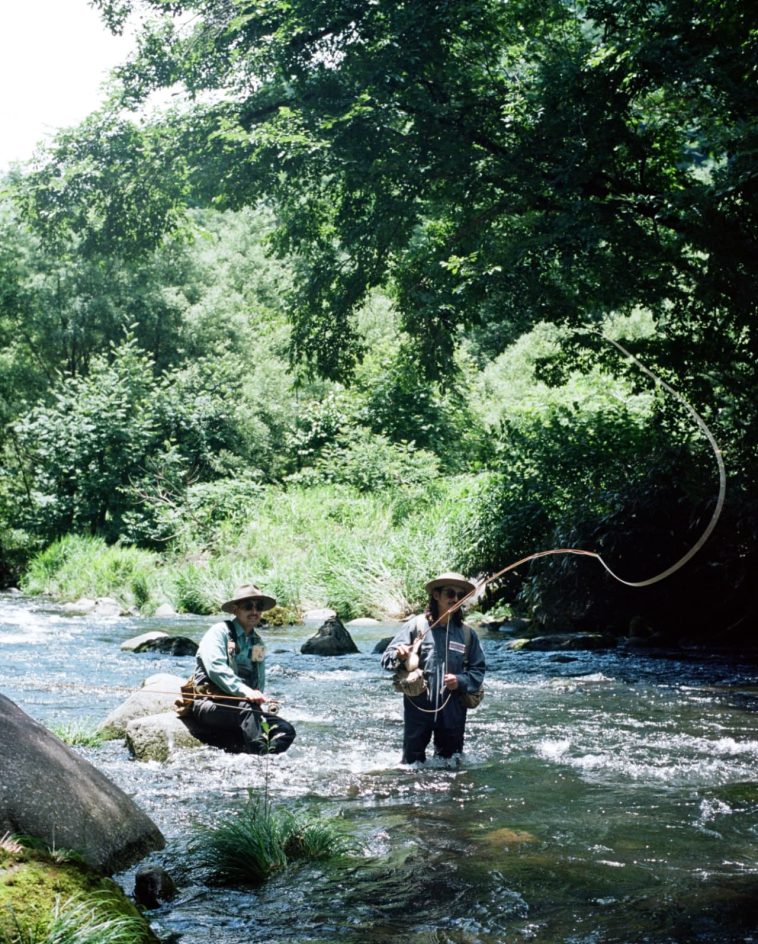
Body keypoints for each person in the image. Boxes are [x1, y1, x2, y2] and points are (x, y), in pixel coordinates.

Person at [381, 571, 485, 764]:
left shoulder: (468, 634)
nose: (455, 599)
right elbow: (386, 659)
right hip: (418, 708)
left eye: (460, 595)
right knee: (411, 767)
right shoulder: (416, 626)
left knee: (451, 765)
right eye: (450, 593)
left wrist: (460, 681)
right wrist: (399, 654)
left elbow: (478, 671)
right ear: (436, 595)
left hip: (453, 710)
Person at [186, 583, 296, 755]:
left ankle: (266, 759)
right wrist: (245, 692)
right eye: (248, 606)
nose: (254, 611)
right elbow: (216, 669)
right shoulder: (219, 632)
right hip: (208, 704)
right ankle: (259, 761)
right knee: (246, 707)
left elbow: (258, 680)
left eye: (258, 606)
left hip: (241, 707)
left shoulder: (257, 644)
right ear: (236, 610)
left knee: (286, 730)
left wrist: (258, 699)